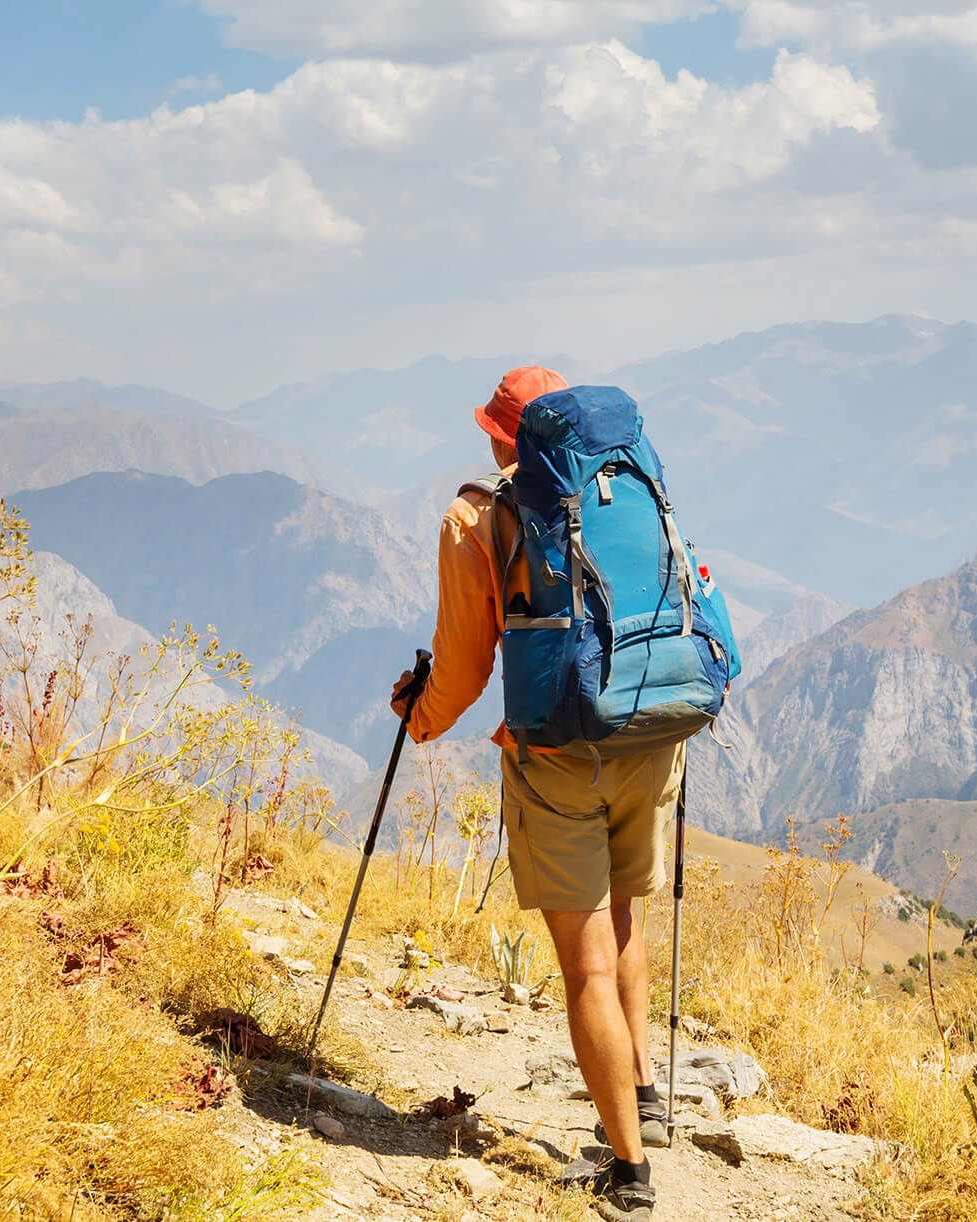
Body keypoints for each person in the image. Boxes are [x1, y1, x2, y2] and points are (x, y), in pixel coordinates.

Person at [391, 365, 674, 1222]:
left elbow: (465, 665)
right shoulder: (622, 476)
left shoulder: (476, 516)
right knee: (625, 914)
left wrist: (419, 718)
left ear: (499, 435)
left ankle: (629, 1175)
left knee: (584, 962)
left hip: (557, 750)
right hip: (650, 723)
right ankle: (647, 1096)